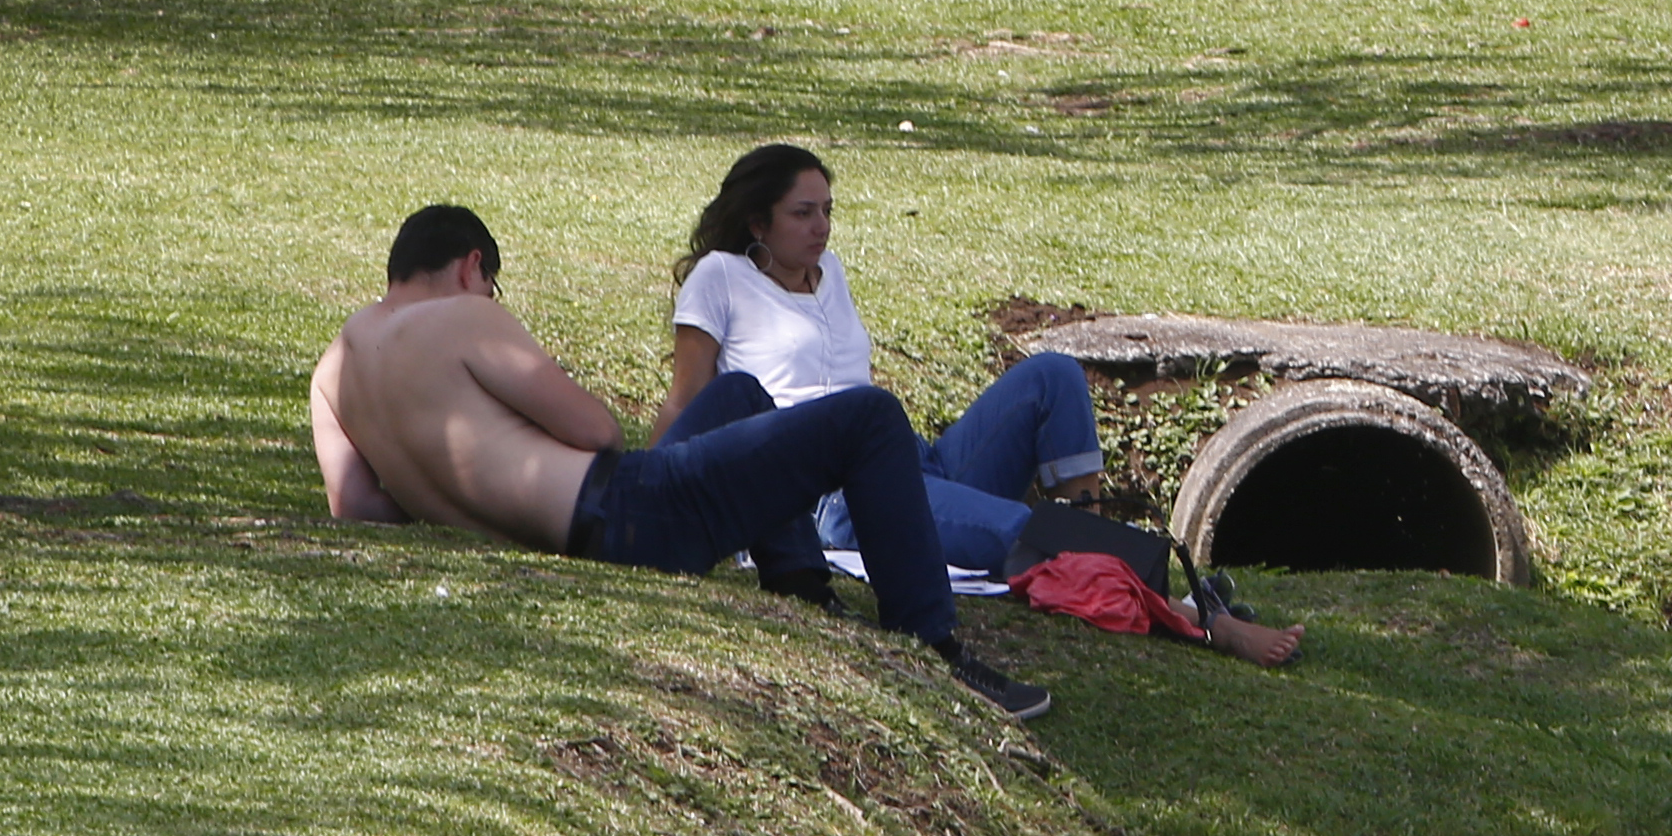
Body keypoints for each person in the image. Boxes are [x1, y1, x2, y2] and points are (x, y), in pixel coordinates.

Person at [311, 201, 1052, 723]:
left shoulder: (336, 368)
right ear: (473, 266)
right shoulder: (465, 315)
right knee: (872, 418)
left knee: (738, 393)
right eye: (493, 283)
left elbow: (359, 510)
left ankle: (799, 584)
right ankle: (933, 644)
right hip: (624, 515)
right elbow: (597, 432)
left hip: (584, 528)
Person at [668, 144, 1128, 580]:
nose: (822, 226)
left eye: (827, 210)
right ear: (757, 224)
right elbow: (685, 403)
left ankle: (1090, 530)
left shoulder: (831, 272)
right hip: (835, 492)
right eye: (802, 214)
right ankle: (1123, 578)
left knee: (1053, 374)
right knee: (1019, 530)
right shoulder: (721, 277)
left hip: (908, 457)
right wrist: (652, 501)